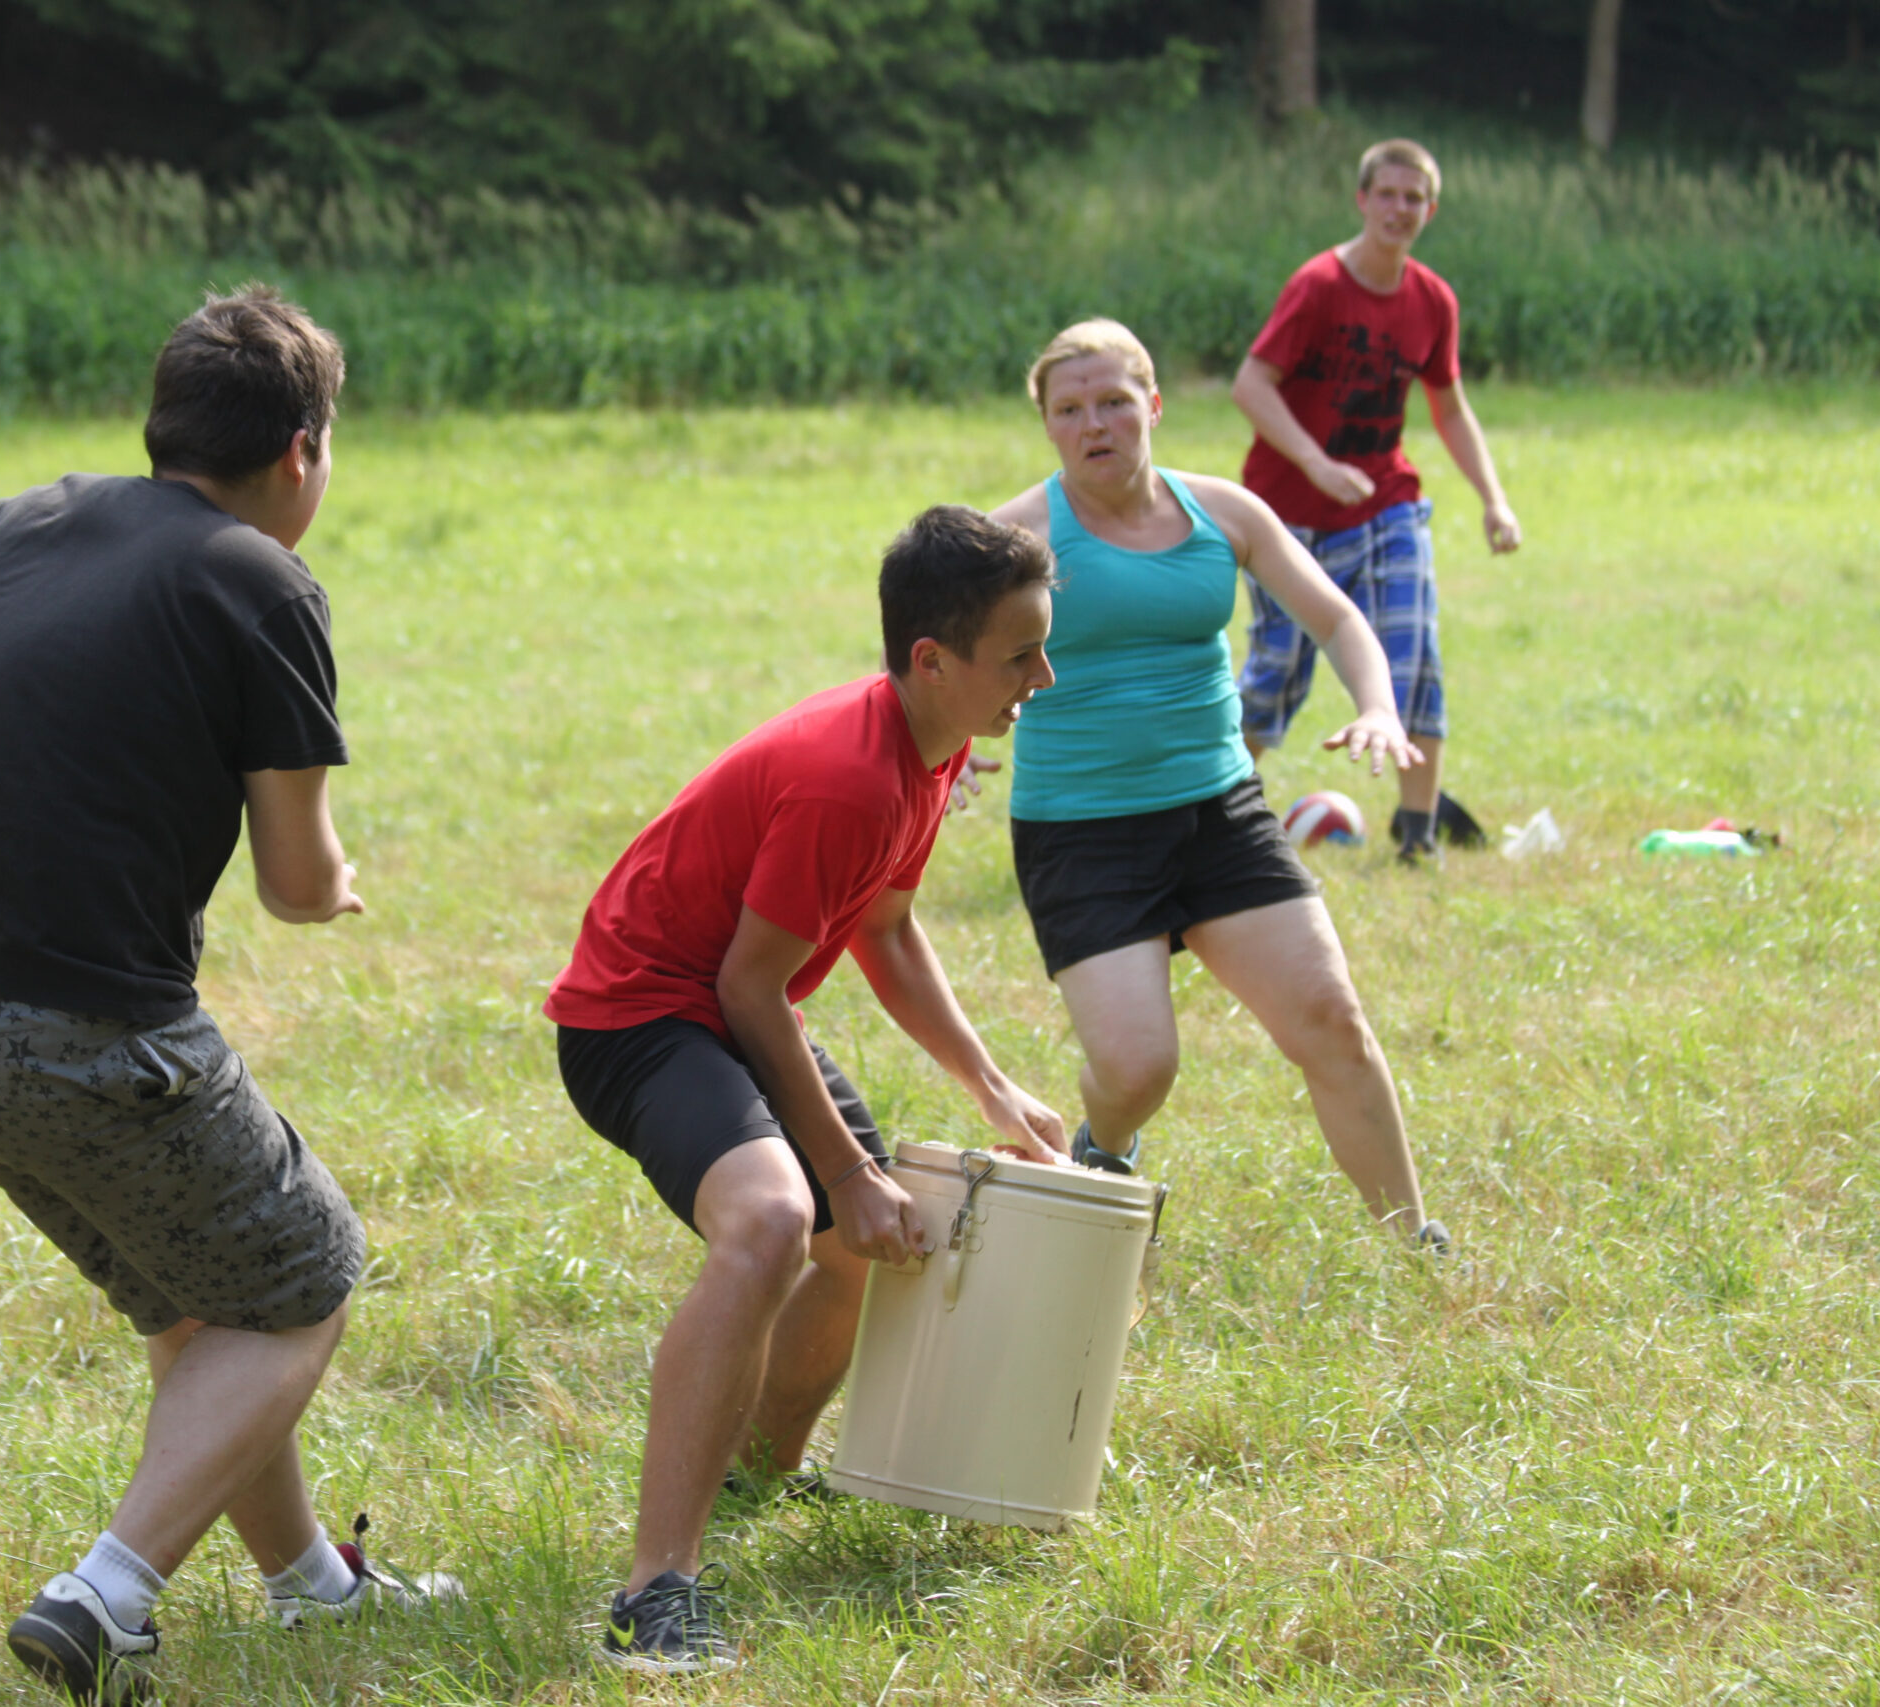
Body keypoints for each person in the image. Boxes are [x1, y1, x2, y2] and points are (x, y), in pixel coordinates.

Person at [0, 284, 457, 1707]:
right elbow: (295, 882)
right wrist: (341, 883)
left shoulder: (23, 518)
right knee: (305, 1278)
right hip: (71, 1029)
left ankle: (309, 1587)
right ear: (302, 448)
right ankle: (105, 1595)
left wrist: (10, 768)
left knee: (201, 1297)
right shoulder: (262, 580)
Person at [545, 506, 1069, 1675]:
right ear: (932, 660)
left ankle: (756, 1477)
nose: (1041, 678)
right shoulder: (850, 780)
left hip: (722, 1004)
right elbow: (749, 987)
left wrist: (990, 1087)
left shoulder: (933, 745)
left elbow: (886, 927)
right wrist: (845, 1169)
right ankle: (653, 1593)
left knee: (862, 1249)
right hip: (636, 1016)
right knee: (778, 1220)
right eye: (1020, 656)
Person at [988, 317, 1447, 1247]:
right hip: (1081, 830)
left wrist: (1379, 707)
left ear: (1153, 405)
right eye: (1069, 409)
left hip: (1219, 814)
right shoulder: (1013, 537)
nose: (1094, 423)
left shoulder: (1224, 514)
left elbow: (1337, 618)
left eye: (1114, 401)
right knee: (1138, 1069)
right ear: (1047, 426)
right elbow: (931, 658)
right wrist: (947, 750)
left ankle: (1415, 1242)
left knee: (1331, 1018)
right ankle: (1105, 1141)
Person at [1230, 137, 1523, 863]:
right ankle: (1214, 815)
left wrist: (1494, 499)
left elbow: (1449, 407)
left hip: (1386, 503)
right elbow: (1251, 385)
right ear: (1362, 200)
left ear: (1431, 209)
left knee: (1412, 652)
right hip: (1289, 514)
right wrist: (1315, 462)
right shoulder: (1318, 286)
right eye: (1386, 194)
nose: (1399, 209)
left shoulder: (1432, 299)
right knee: (1277, 671)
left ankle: (1417, 835)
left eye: (1413, 198)